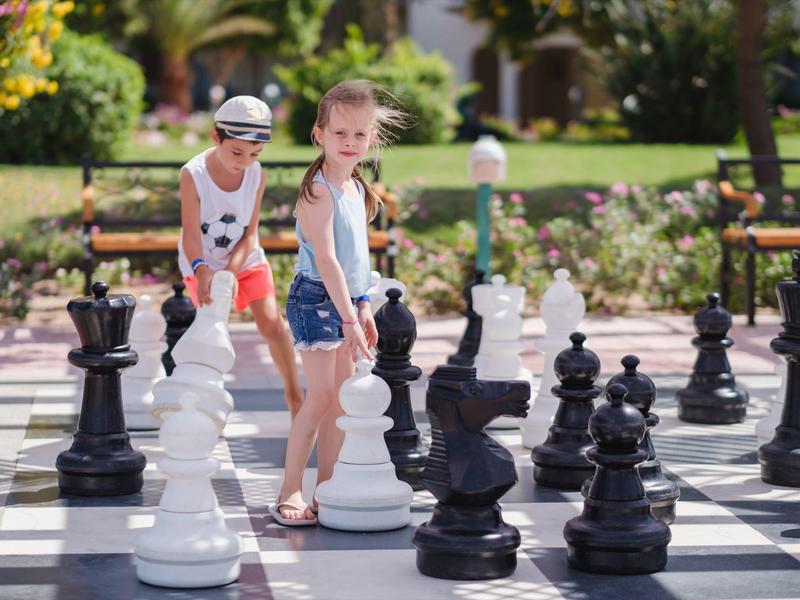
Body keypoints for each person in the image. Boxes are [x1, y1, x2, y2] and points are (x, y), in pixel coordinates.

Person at [270, 80, 408, 525]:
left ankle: (326, 487)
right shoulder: (317, 190)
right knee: (321, 397)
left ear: (372, 138)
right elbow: (327, 260)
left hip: (346, 301)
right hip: (315, 300)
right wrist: (350, 318)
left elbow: (355, 261)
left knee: (342, 402)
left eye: (359, 135)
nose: (350, 143)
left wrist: (363, 303)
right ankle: (290, 488)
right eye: (339, 134)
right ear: (319, 135)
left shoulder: (356, 190)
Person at [178, 95, 303, 416]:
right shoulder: (193, 174)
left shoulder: (255, 174)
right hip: (200, 263)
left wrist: (230, 272)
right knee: (210, 332)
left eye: (254, 153)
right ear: (215, 137)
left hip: (244, 261)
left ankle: (295, 397)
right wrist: (203, 270)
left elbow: (250, 234)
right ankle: (203, 406)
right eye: (236, 151)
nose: (244, 161)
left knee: (274, 325)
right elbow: (191, 236)